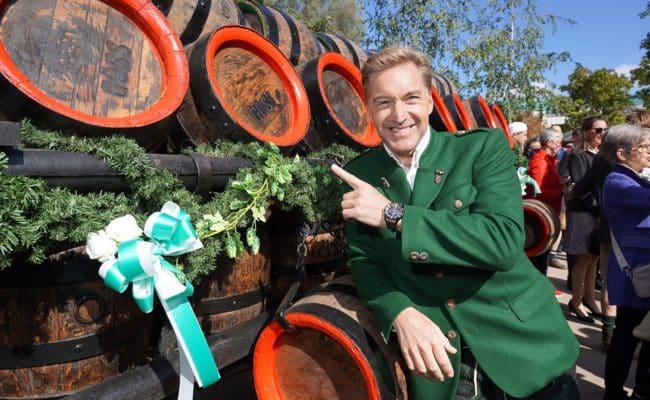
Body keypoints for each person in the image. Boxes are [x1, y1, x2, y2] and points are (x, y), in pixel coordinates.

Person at [330, 46, 579, 399]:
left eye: (411, 98)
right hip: (442, 367)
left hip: (524, 349)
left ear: (430, 102)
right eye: (383, 102)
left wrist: (393, 214)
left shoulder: (480, 149)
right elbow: (365, 261)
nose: (398, 114)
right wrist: (400, 313)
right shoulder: (361, 174)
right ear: (369, 109)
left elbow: (503, 241)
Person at [600, 124, 650, 400]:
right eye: (643, 147)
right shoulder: (618, 181)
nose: (648, 152)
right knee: (627, 338)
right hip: (636, 273)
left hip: (642, 271)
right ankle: (615, 392)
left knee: (643, 335)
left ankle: (641, 390)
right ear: (622, 153)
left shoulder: (635, 177)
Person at [563, 116, 607, 323]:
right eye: (598, 130)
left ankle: (589, 297)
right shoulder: (578, 155)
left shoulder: (604, 155)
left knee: (594, 257)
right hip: (584, 211)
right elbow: (581, 186)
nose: (602, 134)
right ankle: (576, 301)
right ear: (587, 131)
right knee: (583, 256)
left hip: (600, 210)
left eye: (605, 130)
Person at [525, 129, 564, 280]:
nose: (560, 144)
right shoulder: (540, 161)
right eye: (558, 141)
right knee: (538, 257)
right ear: (549, 143)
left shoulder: (548, 160)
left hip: (548, 213)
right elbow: (537, 191)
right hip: (540, 218)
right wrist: (561, 192)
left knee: (543, 256)